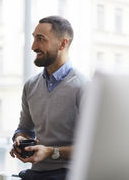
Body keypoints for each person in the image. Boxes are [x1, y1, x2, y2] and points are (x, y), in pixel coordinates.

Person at [10, 16, 87, 180]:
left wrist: (51, 152)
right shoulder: (30, 85)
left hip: (69, 175)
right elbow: (24, 129)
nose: (33, 46)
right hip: (35, 174)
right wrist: (20, 141)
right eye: (33, 38)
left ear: (63, 44)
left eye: (40, 39)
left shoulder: (84, 87)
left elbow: (93, 147)